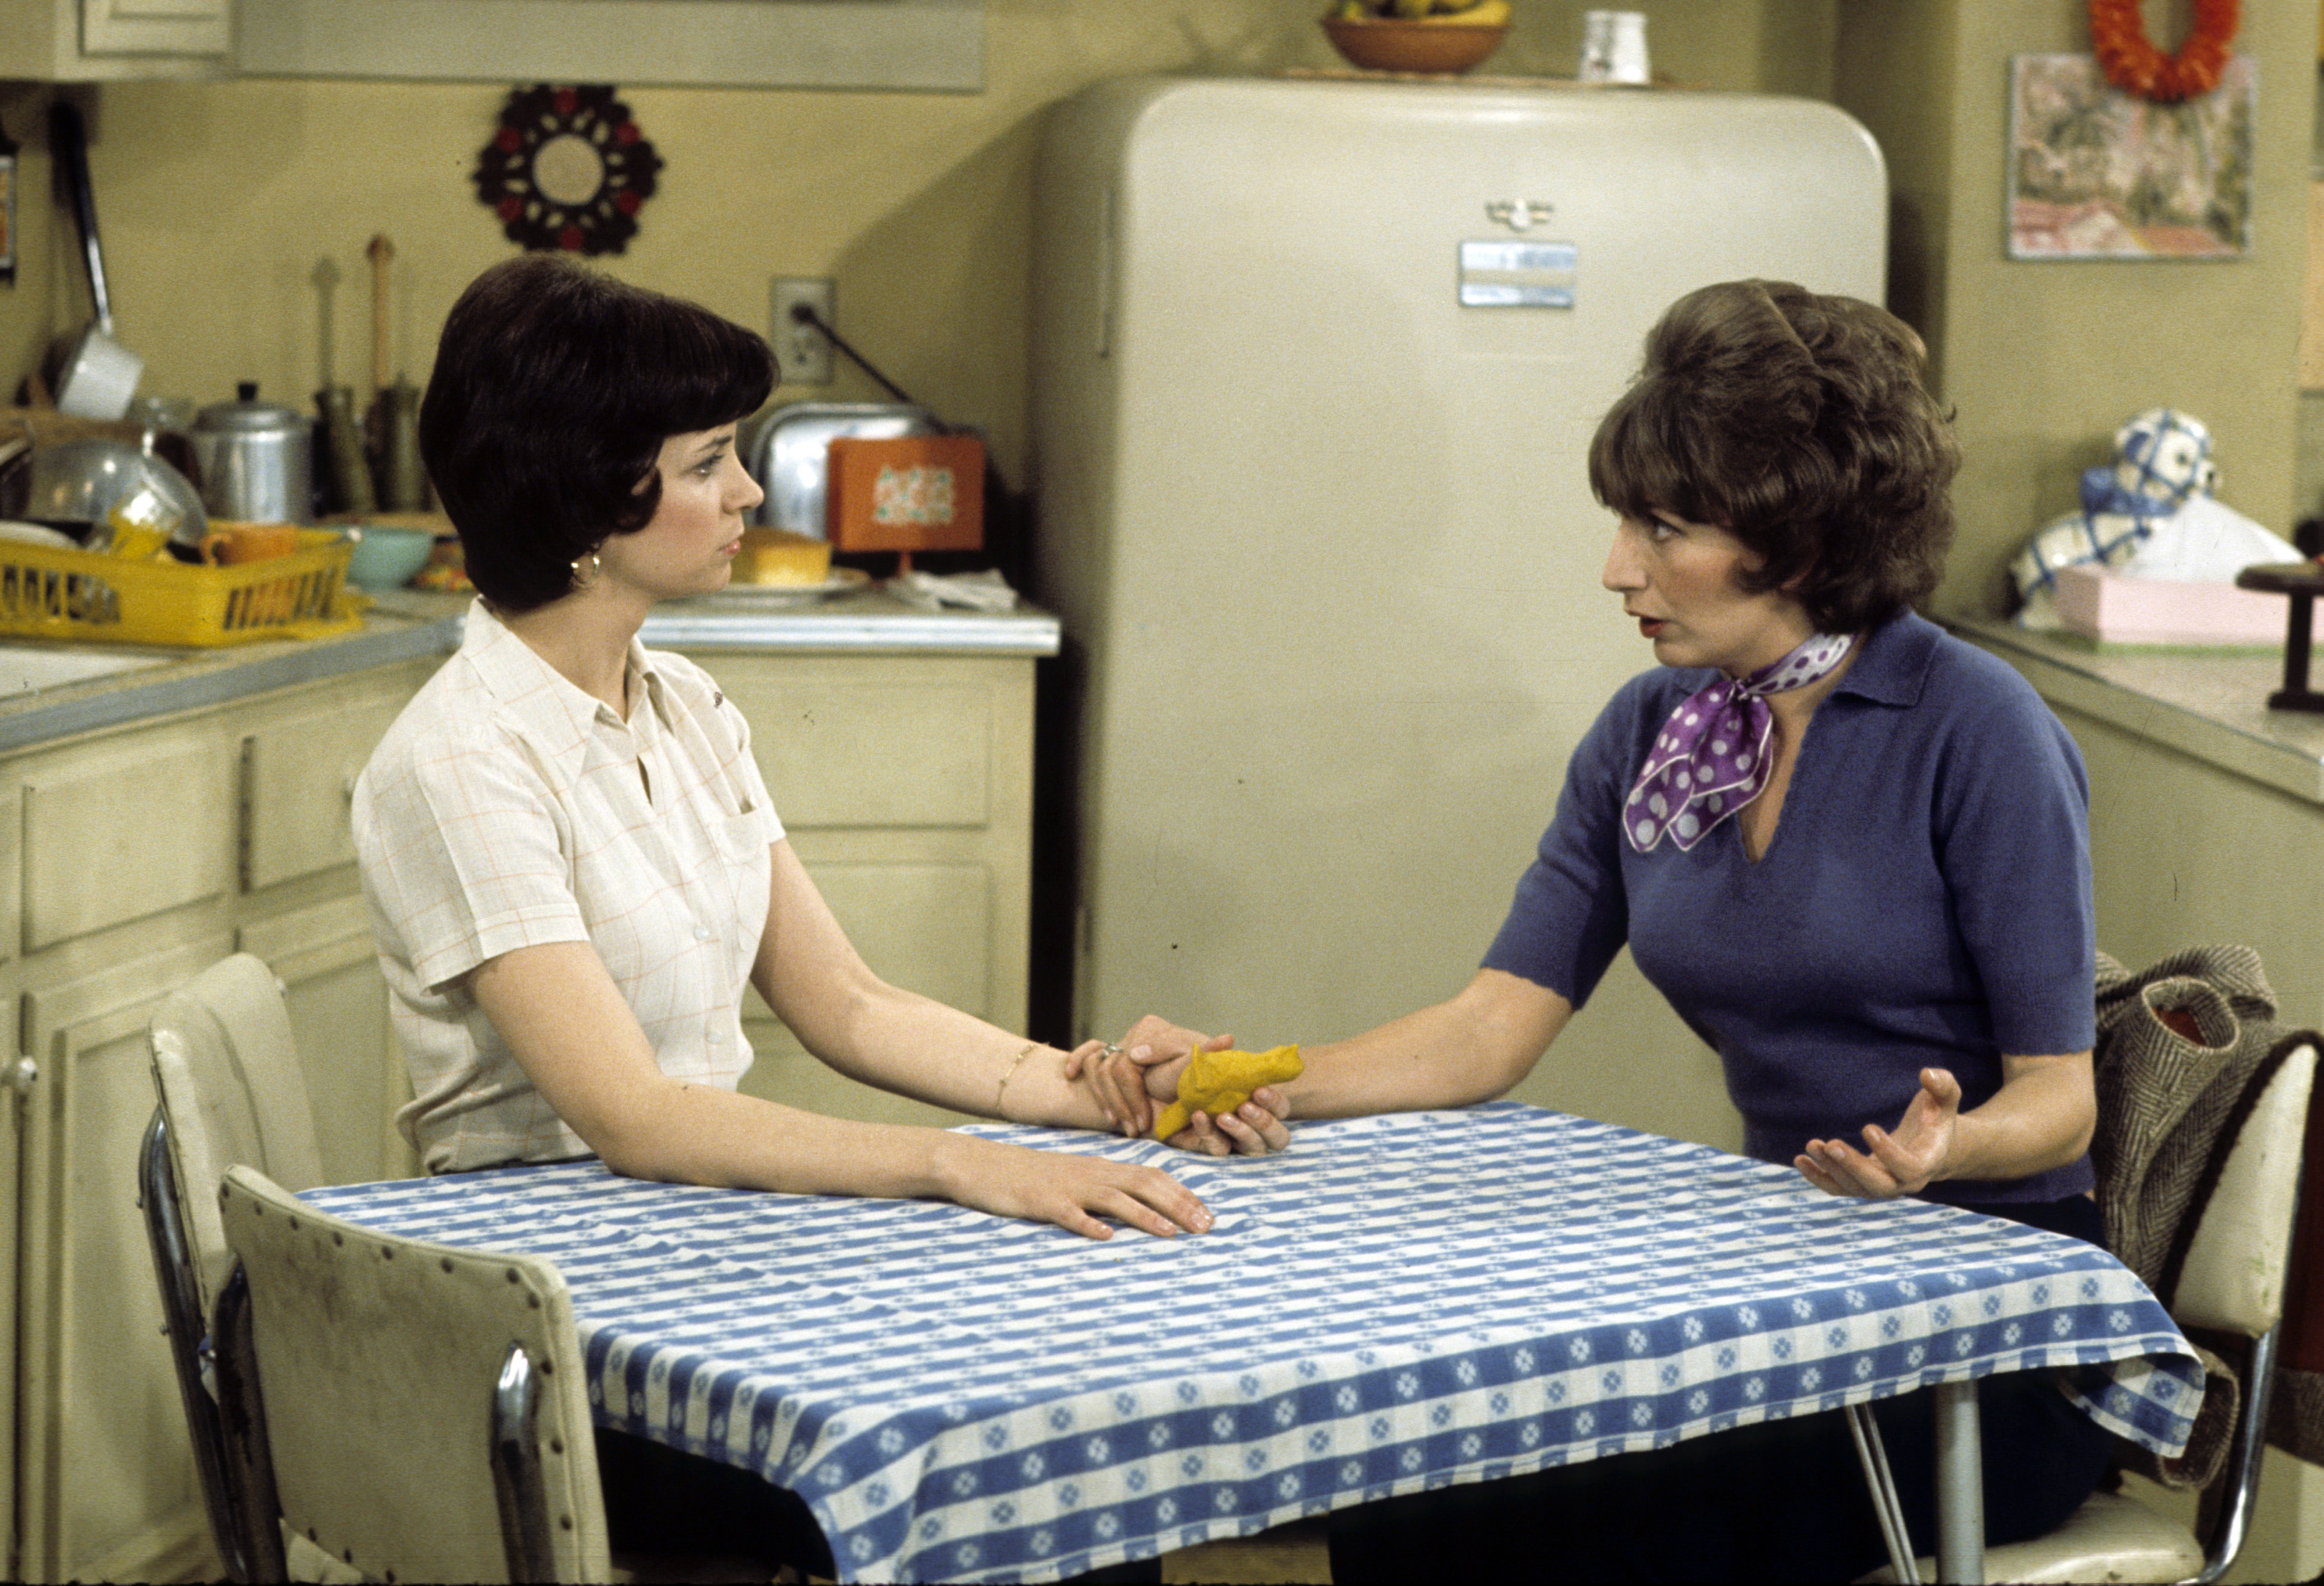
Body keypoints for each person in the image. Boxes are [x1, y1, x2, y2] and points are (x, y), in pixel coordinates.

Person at [1081, 279, 2113, 1580]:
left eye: (1663, 526)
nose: (1617, 566)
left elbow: (2061, 1106)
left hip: (1982, 1326)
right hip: (1788, 1276)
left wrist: (1939, 1150)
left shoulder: (1979, 728)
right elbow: (1488, 1029)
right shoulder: (1654, 731)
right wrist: (1250, 1077)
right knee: (1424, 1490)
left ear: (1797, 538)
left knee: (1575, 1526)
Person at [351, 254, 1244, 1246]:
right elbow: (637, 1119)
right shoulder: (463, 760)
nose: (750, 492)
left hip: (690, 1220)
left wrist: (1111, 1093)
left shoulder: (685, 705)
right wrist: (960, 1160)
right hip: (535, 1256)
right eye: (707, 464)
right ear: (591, 498)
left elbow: (849, 1006)